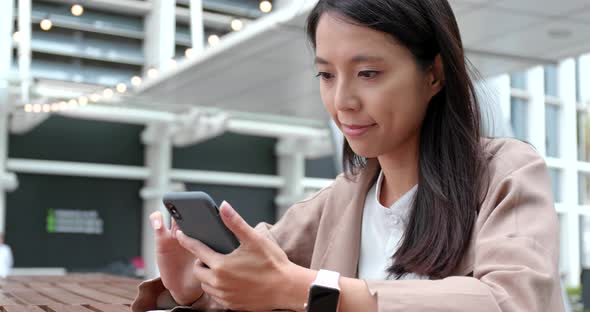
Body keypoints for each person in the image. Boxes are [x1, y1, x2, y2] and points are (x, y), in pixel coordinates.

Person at [132, 0, 564, 311]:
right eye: (326, 74)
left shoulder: (505, 173)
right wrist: (193, 284)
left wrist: (309, 290)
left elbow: (510, 301)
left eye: (368, 73)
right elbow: (256, 275)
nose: (342, 101)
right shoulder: (338, 201)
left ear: (433, 74)